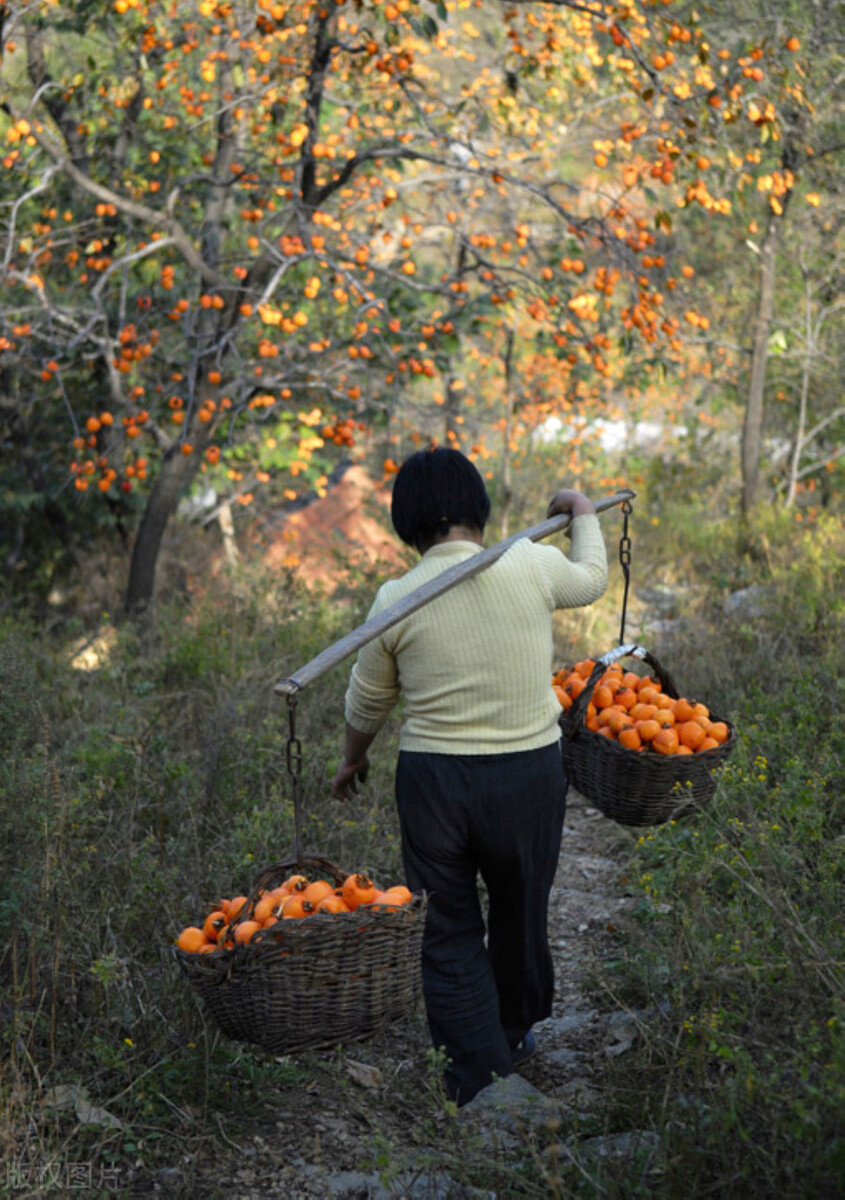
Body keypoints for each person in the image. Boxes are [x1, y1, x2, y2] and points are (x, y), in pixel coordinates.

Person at [331, 446, 608, 1106]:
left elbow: (367, 701)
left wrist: (353, 757)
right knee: (519, 911)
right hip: (527, 775)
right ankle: (511, 1034)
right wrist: (579, 509)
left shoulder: (397, 597)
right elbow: (592, 577)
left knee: (448, 926)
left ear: (407, 522)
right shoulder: (532, 562)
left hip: (435, 787)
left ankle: (477, 1079)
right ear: (480, 510)